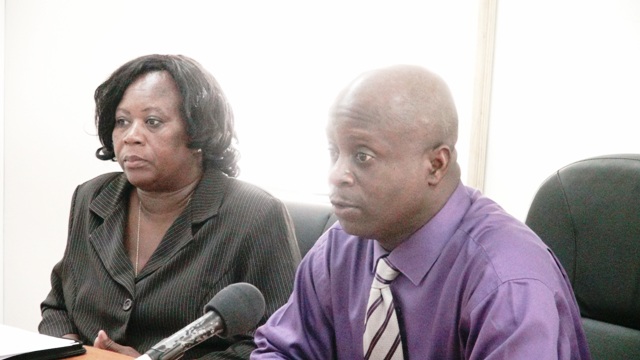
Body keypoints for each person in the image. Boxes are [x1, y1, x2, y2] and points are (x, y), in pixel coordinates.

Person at [251, 65, 591, 359]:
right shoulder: (339, 248)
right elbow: (280, 350)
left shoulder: (507, 283)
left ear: (435, 164)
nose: (336, 174)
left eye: (362, 156)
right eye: (333, 151)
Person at [39, 54, 301, 359]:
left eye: (153, 122)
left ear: (198, 130)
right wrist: (71, 351)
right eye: (122, 122)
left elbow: (278, 342)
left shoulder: (255, 215)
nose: (132, 137)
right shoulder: (92, 197)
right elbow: (58, 305)